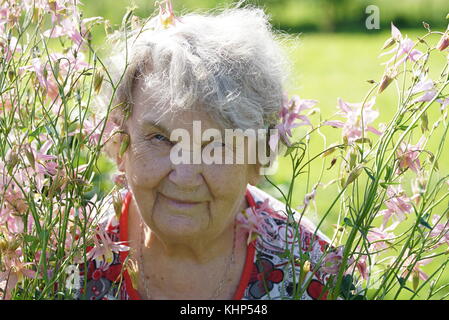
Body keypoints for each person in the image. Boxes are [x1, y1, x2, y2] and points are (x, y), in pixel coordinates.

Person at [75, 2, 334, 300]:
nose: (185, 176)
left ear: (258, 159)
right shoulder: (65, 258)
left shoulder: (313, 270)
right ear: (119, 141)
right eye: (160, 138)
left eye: (218, 146)